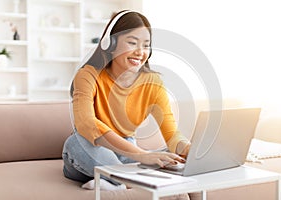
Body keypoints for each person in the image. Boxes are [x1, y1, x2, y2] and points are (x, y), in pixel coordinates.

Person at [62, 10, 191, 190]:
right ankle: (127, 180)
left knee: (171, 156)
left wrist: (187, 149)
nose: (140, 52)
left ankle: (116, 182)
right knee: (76, 143)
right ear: (111, 43)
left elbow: (171, 134)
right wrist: (141, 155)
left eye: (146, 45)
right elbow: (86, 124)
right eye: (132, 43)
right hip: (89, 149)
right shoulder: (88, 75)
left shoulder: (153, 83)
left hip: (126, 151)